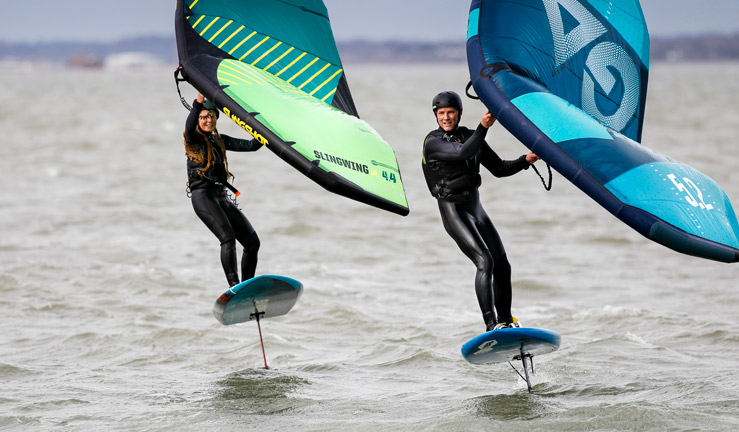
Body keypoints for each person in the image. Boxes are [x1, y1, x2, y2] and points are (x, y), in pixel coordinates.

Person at [421, 91, 539, 332]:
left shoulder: (468, 135)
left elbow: (499, 168)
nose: (446, 117)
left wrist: (526, 159)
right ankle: (491, 326)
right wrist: (483, 127)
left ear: (459, 113)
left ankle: (506, 321)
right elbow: (462, 153)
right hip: (453, 209)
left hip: (475, 208)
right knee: (484, 261)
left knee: (502, 265)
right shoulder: (432, 142)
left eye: (450, 112)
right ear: (436, 115)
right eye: (441, 113)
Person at [183, 92, 262, 288]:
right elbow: (189, 124)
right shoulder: (193, 139)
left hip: (221, 197)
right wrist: (199, 100)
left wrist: (268, 129)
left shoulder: (220, 140)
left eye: (210, 116)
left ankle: (248, 286)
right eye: (203, 117)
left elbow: (252, 145)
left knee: (252, 243)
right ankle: (234, 287)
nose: (207, 120)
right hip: (203, 197)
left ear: (216, 118)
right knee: (227, 239)